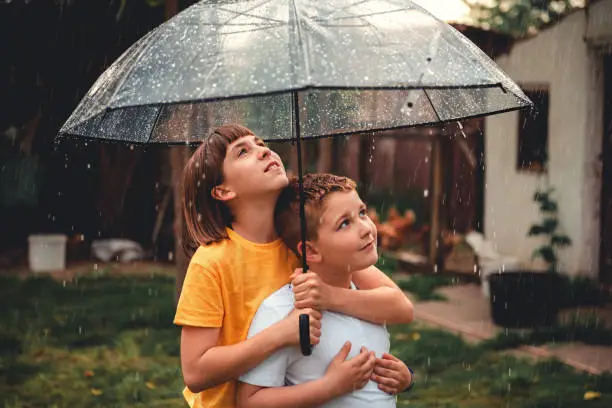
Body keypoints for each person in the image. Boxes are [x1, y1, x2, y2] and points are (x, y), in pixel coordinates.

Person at [174, 124, 414, 408]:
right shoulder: (212, 262)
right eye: (243, 152)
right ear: (223, 190)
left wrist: (330, 296)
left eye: (261, 142)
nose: (263, 151)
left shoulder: (301, 240)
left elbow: (399, 307)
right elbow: (195, 372)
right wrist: (280, 335)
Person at [237, 173, 414, 408]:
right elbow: (249, 402)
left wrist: (404, 378)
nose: (365, 229)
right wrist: (330, 387)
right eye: (344, 223)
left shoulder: (362, 292)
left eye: (362, 212)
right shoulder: (283, 311)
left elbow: (402, 309)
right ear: (310, 252)